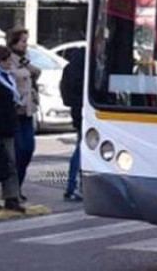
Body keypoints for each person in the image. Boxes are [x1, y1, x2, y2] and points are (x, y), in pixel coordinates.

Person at [7, 27, 40, 201]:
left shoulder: (24, 60)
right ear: (13, 43)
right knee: (18, 152)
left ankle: (17, 187)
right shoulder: (8, 60)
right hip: (16, 112)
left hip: (27, 111)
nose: (25, 45)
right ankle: (12, 191)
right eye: (23, 41)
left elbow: (36, 72)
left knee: (28, 149)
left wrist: (27, 64)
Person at [0, 46, 24, 212]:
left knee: (11, 162)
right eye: (6, 60)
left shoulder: (9, 77)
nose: (9, 63)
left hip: (7, 126)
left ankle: (12, 197)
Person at [60, 47, 84, 201]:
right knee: (82, 149)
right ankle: (73, 185)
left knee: (81, 146)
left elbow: (65, 92)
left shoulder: (69, 68)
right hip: (84, 110)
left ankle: (73, 185)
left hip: (76, 110)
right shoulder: (84, 68)